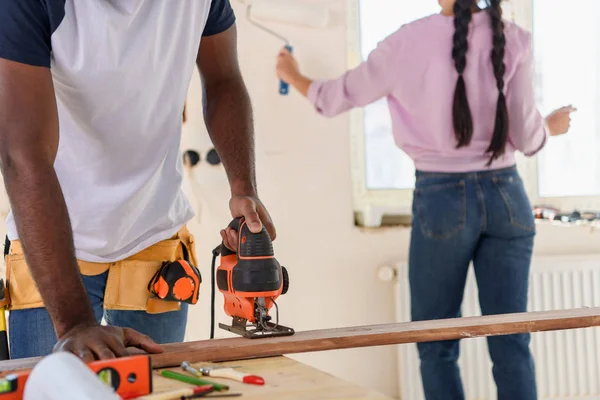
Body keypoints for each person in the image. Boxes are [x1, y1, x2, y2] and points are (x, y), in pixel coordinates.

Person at [275, 0, 575, 399]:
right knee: (511, 340)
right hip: (508, 197)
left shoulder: (406, 42)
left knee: (435, 343)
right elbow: (526, 136)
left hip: (441, 200)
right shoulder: (515, 37)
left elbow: (334, 98)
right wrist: (548, 127)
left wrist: (290, 73)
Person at [0, 0, 275, 361]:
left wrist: (243, 188)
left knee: (158, 390)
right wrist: (73, 324)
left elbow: (223, 79)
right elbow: (22, 156)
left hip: (153, 236)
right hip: (52, 251)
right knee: (54, 388)